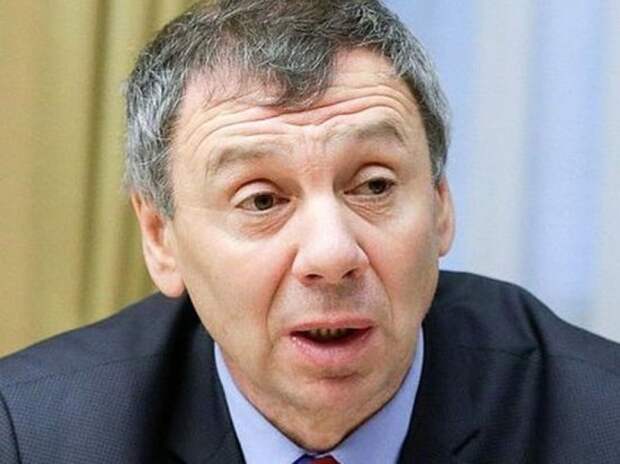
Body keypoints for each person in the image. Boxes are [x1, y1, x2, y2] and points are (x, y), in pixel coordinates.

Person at [1, 1, 619, 463]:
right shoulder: (36, 434)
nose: (332, 253)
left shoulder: (599, 423)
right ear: (161, 238)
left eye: (374, 186)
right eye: (261, 200)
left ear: (440, 206)